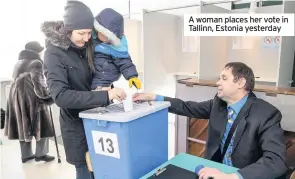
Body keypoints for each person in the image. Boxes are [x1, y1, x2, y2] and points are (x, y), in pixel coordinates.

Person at [133, 62, 288, 179]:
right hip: (211, 171)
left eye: (224, 78)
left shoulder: (267, 114)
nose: (217, 83)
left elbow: (276, 161)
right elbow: (187, 107)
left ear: (240, 83)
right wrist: (155, 97)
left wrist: (231, 177)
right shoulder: (218, 104)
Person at [40, 1, 126, 179]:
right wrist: (105, 95)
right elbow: (61, 97)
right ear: (68, 29)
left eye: (89, 32)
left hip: (99, 121)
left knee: (105, 171)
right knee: (86, 173)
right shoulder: (53, 54)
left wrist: (109, 87)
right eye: (81, 33)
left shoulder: (87, 45)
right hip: (76, 127)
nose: (87, 38)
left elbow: (97, 75)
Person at [5, 41, 55, 163]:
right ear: (36, 51)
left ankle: (26, 155)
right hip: (31, 99)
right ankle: (41, 154)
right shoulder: (36, 63)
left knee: (22, 126)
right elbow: (39, 85)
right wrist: (48, 96)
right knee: (42, 126)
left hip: (16, 98)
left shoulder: (19, 62)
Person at [91, 8, 141, 91]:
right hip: (94, 72)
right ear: (97, 29)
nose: (106, 39)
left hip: (105, 76)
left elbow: (125, 62)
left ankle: (102, 97)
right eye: (103, 35)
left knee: (101, 93)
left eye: (109, 37)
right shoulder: (91, 38)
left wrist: (132, 76)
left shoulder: (117, 46)